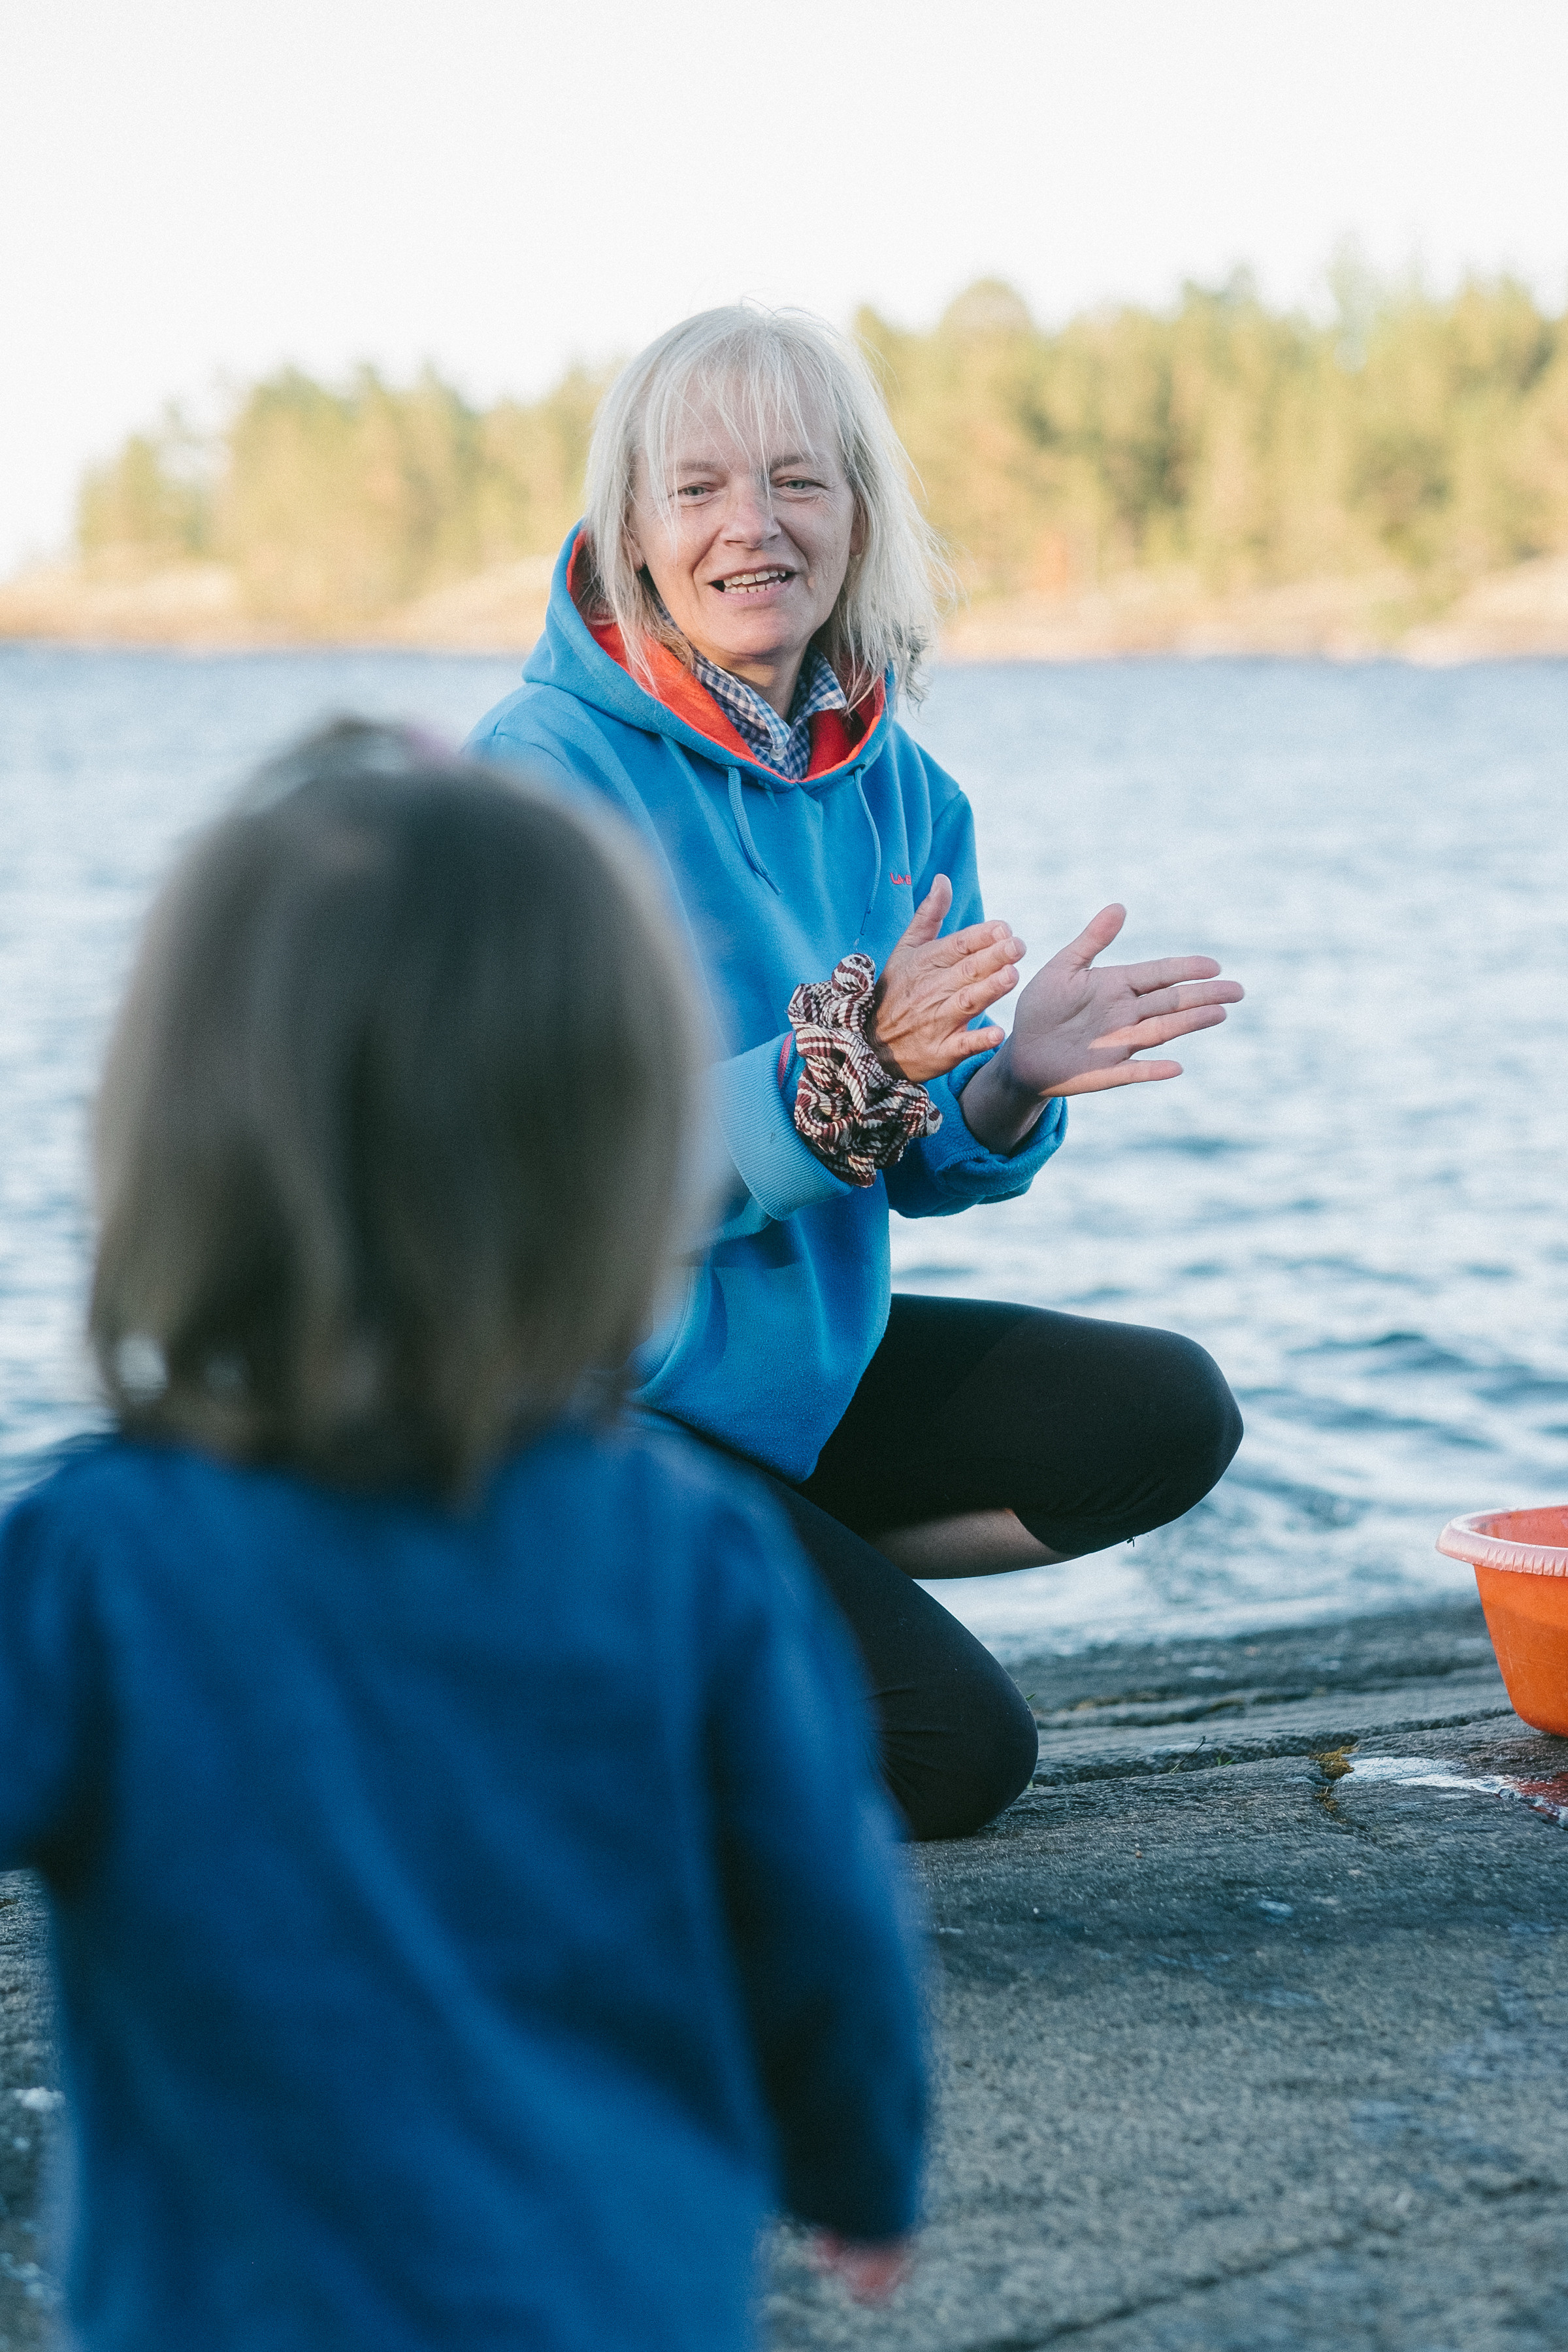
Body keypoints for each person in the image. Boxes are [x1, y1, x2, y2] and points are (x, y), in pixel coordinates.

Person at [0, 723, 926, 2351]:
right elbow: (821, 1925)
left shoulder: (100, 1565)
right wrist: (861, 2167)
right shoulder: (691, 1556)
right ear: (618, 1150)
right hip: (614, 2296)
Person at [468, 304, 1247, 1844]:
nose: (751, 527)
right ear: (631, 527)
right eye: (696, 489)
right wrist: (839, 1064)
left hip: (777, 1396)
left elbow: (914, 1154)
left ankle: (752, 1571)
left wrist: (1013, 1077)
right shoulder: (538, 775)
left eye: (797, 482)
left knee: (1167, 1414)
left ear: (860, 515)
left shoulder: (900, 788)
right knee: (950, 1752)